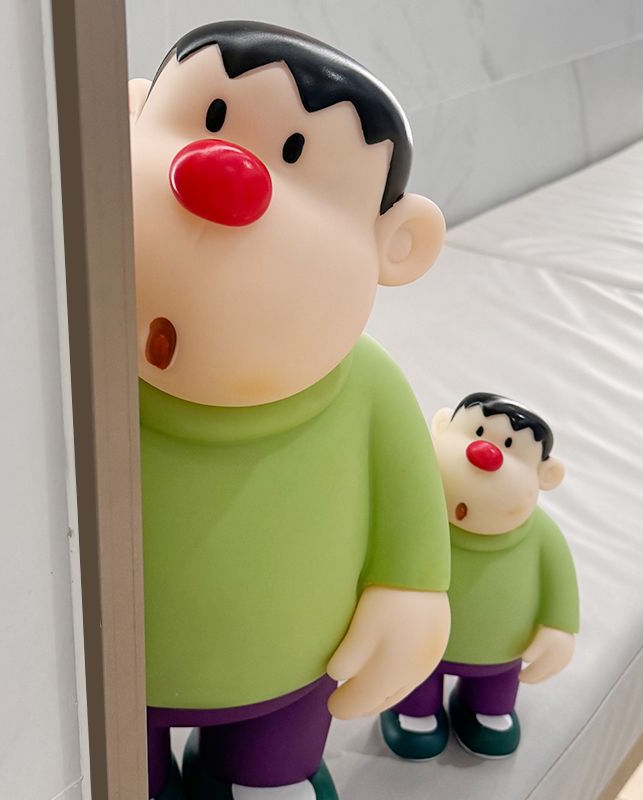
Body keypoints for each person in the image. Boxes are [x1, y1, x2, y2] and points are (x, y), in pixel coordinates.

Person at [129, 21, 452, 800]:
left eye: (296, 155)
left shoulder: (370, 389)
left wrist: (411, 596)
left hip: (289, 670)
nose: (224, 177)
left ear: (396, 245)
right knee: (118, 771)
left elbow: (410, 523)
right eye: (209, 119)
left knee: (268, 770)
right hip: (106, 674)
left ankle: (260, 775)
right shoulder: (65, 356)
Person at [381, 393, 579, 759]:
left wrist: (559, 629)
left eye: (509, 446)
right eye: (477, 433)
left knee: (493, 700)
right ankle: (414, 709)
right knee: (414, 686)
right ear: (441, 428)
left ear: (545, 477)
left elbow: (560, 586)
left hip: (499, 652)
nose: (484, 454)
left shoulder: (543, 536)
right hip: (419, 644)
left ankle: (484, 709)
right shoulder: (415, 513)